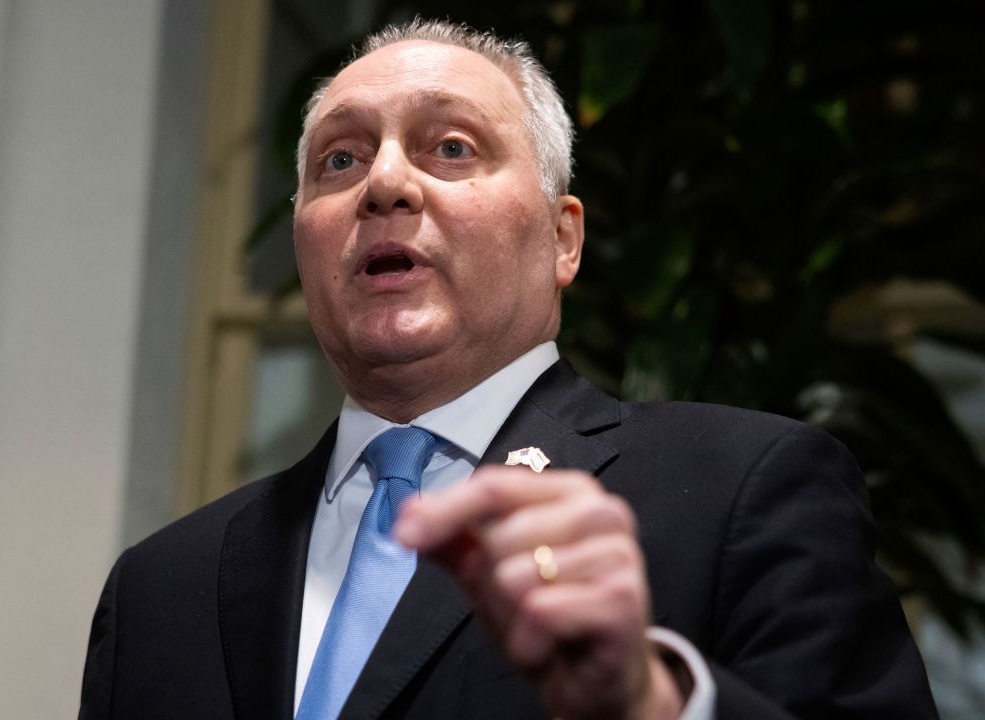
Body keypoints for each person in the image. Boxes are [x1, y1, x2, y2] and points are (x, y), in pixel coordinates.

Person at [79, 19, 938, 720]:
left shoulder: (743, 489)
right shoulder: (161, 590)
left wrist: (652, 704)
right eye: (338, 160)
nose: (383, 183)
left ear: (562, 237)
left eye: (450, 147)